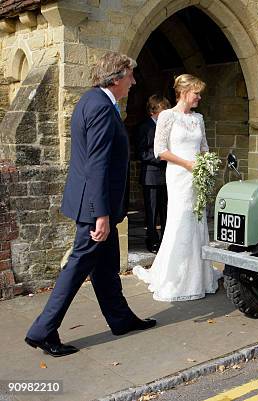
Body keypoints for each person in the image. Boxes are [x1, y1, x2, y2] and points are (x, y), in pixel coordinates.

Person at [25, 52, 156, 357]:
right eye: (130, 75)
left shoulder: (92, 100)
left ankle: (121, 319)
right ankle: (42, 331)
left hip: (97, 203)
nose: (134, 81)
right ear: (116, 77)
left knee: (107, 267)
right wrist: (101, 215)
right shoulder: (99, 107)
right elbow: (96, 164)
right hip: (95, 207)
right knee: (77, 267)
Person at [133, 74, 221, 302]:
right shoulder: (166, 116)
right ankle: (176, 278)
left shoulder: (198, 119)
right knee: (180, 220)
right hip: (179, 175)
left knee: (198, 220)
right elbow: (159, 150)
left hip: (197, 177)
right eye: (196, 93)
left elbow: (203, 147)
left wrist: (205, 162)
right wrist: (188, 164)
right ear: (184, 92)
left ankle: (200, 276)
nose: (199, 97)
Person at [138, 95, 170, 253]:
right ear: (153, 111)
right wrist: (161, 158)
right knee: (151, 212)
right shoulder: (144, 127)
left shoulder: (168, 127)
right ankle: (152, 241)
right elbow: (142, 153)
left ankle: (165, 240)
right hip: (150, 176)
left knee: (166, 211)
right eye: (162, 109)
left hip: (167, 176)